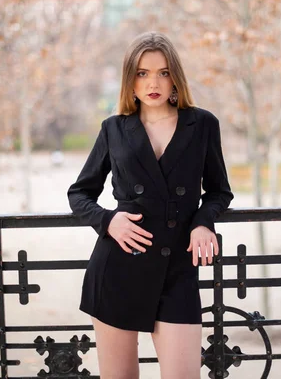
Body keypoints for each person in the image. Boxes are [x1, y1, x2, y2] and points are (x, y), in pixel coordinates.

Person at [67, 31, 234, 379]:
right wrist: (109, 221)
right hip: (118, 268)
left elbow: (219, 191)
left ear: (175, 77)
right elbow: (79, 193)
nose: (153, 82)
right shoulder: (114, 128)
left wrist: (203, 222)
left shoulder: (202, 124)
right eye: (142, 73)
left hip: (177, 271)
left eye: (162, 72)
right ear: (130, 80)